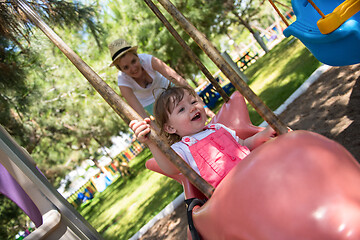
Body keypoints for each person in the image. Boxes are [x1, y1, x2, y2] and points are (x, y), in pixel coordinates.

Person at [129, 85, 277, 188]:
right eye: (181, 109)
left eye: (193, 101)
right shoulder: (181, 148)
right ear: (170, 128)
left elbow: (242, 144)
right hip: (231, 192)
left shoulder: (218, 128)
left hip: (253, 171)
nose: (193, 107)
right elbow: (170, 167)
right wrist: (151, 143)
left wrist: (261, 136)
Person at [108, 38, 215, 119]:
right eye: (126, 67)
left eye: (133, 61)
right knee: (174, 127)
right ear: (120, 69)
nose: (133, 68)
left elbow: (178, 79)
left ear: (137, 57)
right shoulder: (123, 81)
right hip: (150, 103)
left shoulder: (147, 60)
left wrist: (204, 107)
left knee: (188, 111)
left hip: (167, 87)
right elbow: (140, 113)